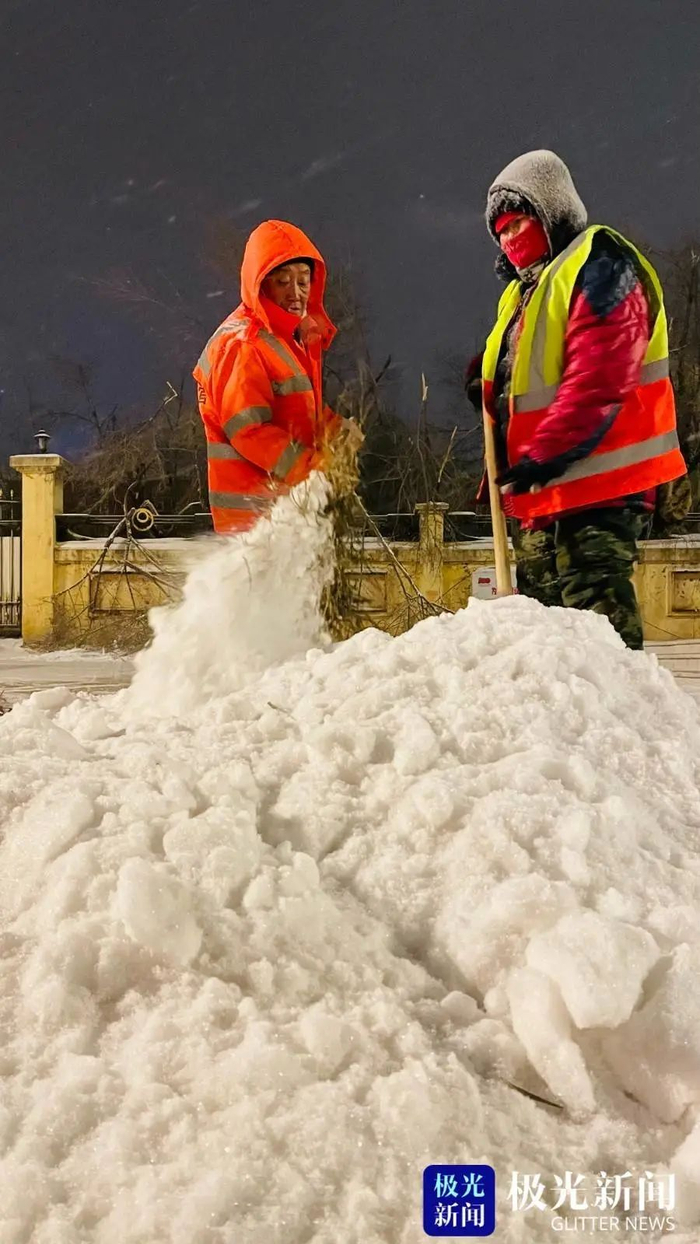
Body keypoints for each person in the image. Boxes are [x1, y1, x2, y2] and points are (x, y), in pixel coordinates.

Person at [471, 149, 687, 649]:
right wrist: (483, 379)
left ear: (552, 210)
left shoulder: (602, 263)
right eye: (500, 231)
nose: (510, 239)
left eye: (518, 222)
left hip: (602, 484)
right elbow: (519, 370)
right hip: (545, 491)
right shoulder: (525, 291)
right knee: (548, 639)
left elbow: (602, 368)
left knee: (598, 627)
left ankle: (624, 721)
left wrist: (549, 448)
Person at [194, 219, 358, 534]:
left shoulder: (285, 339)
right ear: (261, 284)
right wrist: (313, 471)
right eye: (283, 281)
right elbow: (249, 429)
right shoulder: (244, 344)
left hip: (285, 518)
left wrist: (336, 430)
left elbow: (294, 411)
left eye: (304, 280)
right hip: (254, 524)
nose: (296, 293)